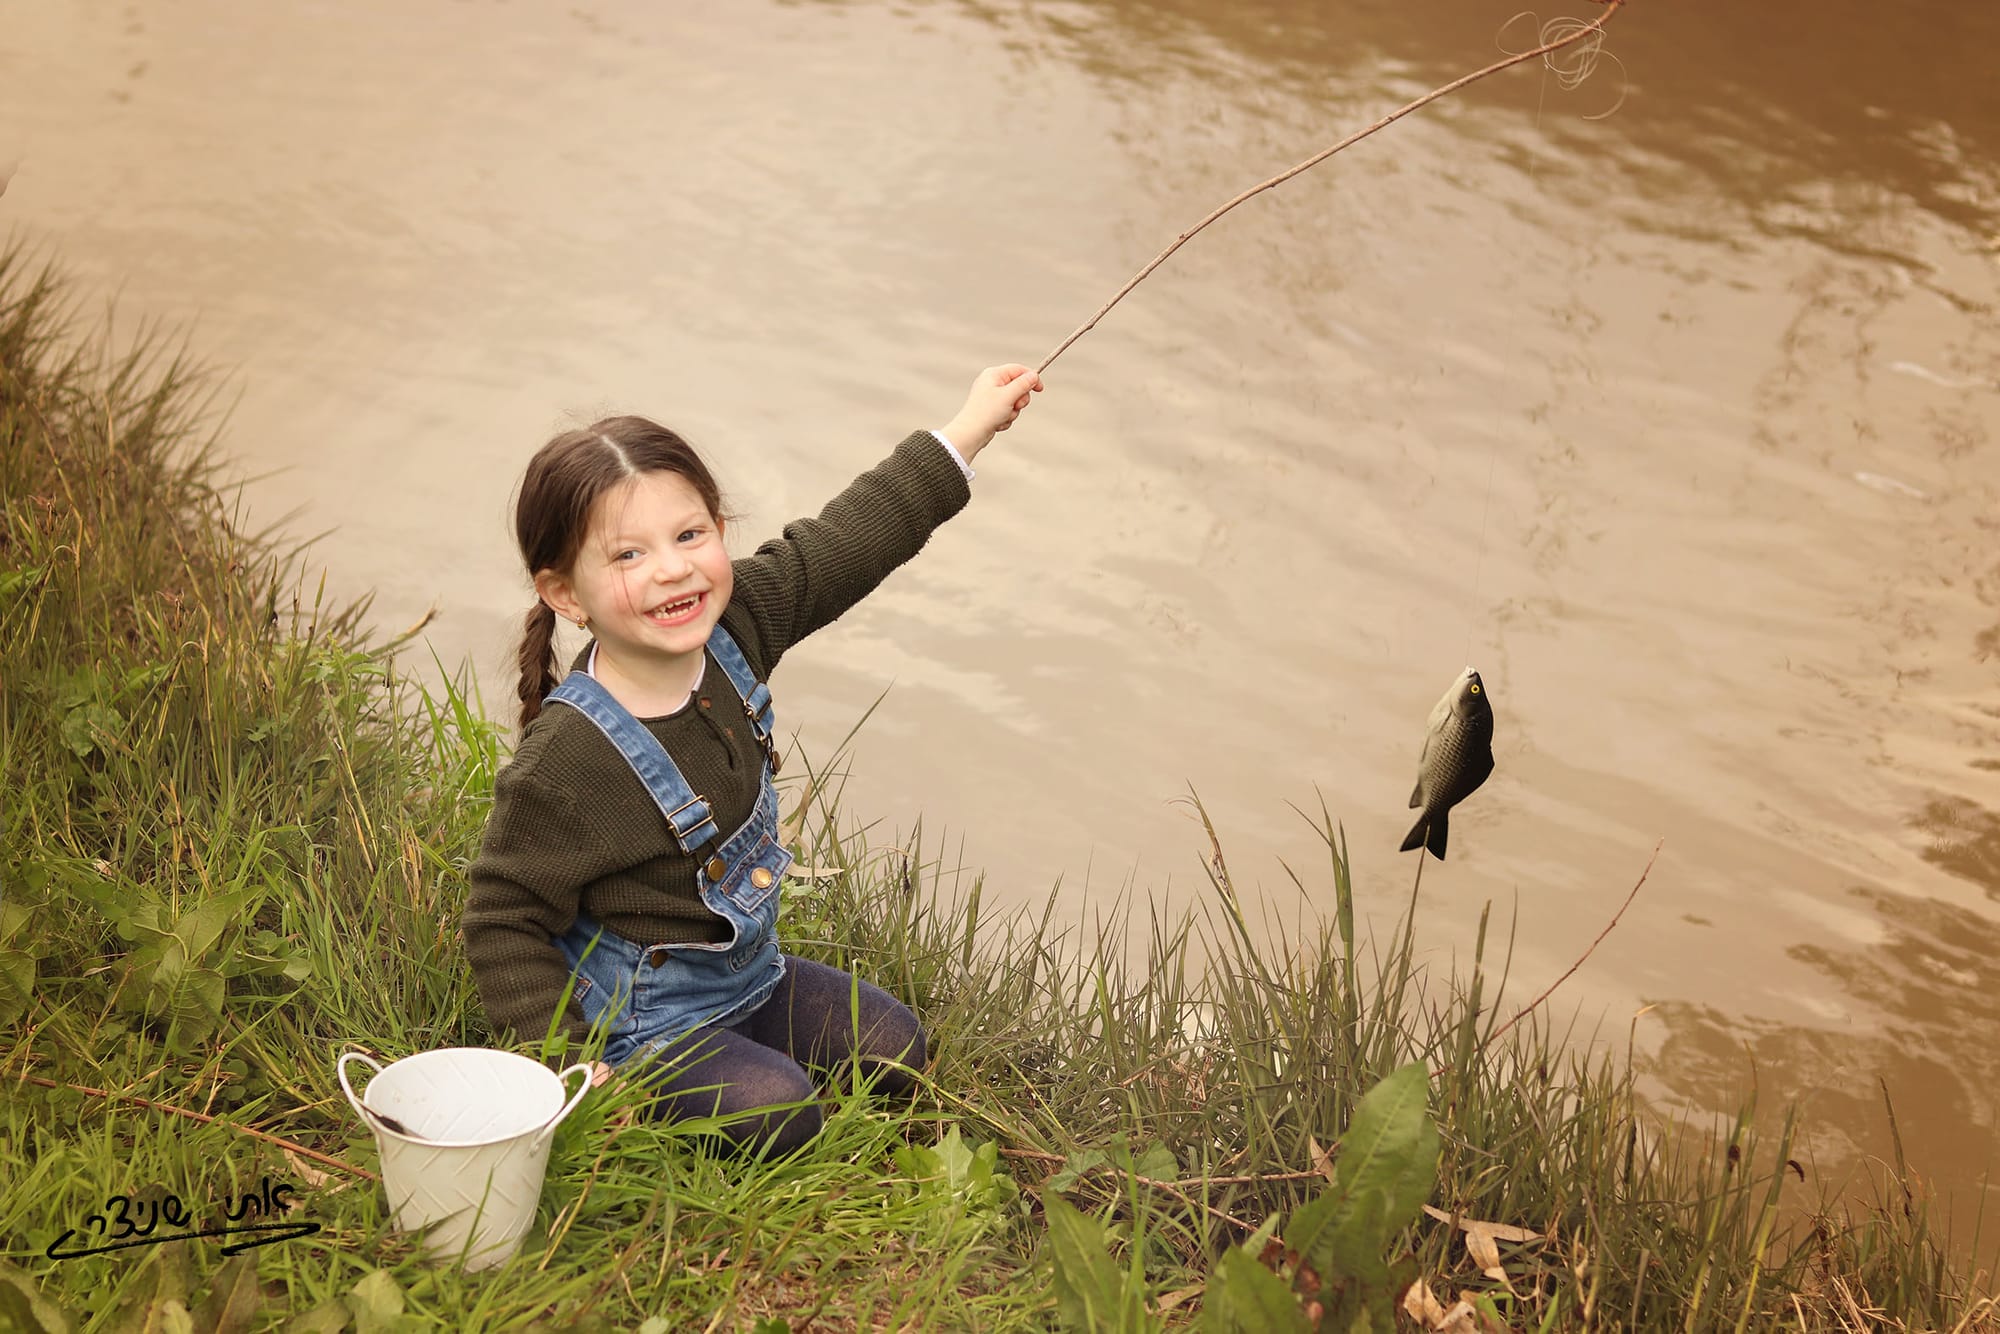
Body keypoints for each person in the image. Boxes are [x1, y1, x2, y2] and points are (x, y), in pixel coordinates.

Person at [463, 364, 1043, 1156]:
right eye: (628, 555)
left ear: (719, 531)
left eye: (690, 534)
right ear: (567, 594)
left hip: (746, 976)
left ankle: (755, 1045)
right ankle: (663, 1085)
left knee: (896, 1046)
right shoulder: (568, 759)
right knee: (779, 1111)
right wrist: (570, 1064)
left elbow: (847, 540)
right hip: (643, 1016)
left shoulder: (737, 626)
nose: (672, 568)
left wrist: (971, 426)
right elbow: (503, 918)